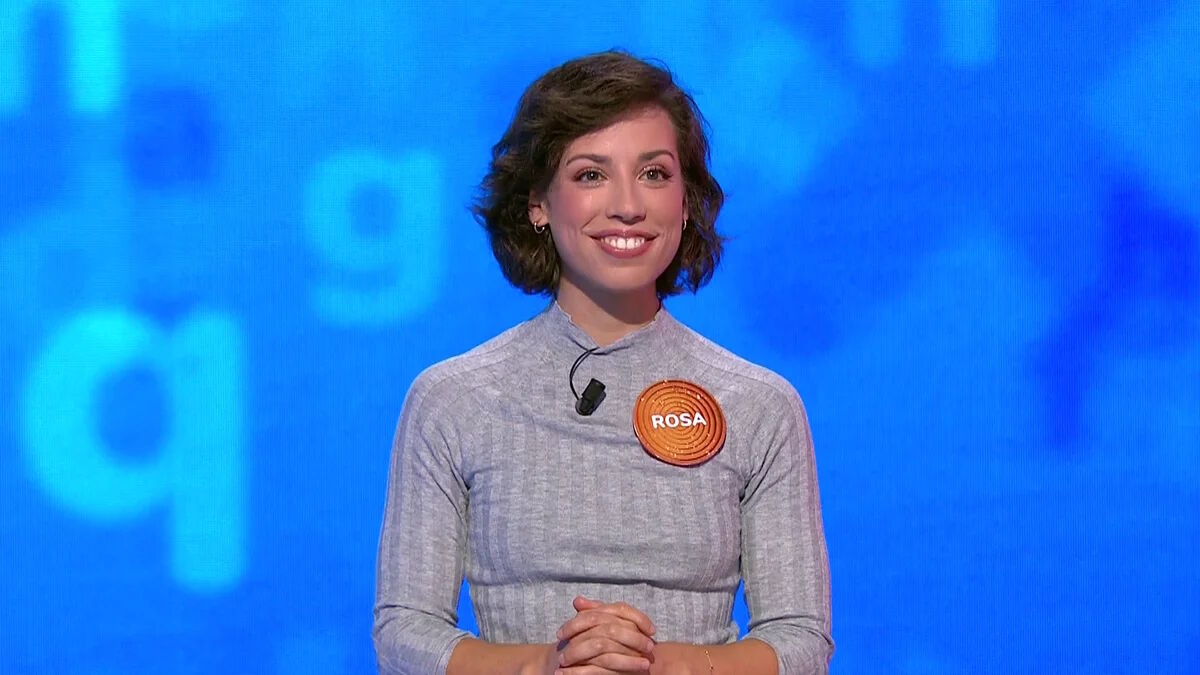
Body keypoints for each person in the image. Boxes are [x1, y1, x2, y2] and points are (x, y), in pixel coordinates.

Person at [373, 51, 833, 675]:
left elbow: (801, 641)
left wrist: (662, 664)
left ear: (685, 200)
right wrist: (548, 664)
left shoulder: (758, 405)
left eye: (654, 174)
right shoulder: (454, 399)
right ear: (538, 202)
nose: (628, 205)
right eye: (591, 174)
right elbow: (403, 633)